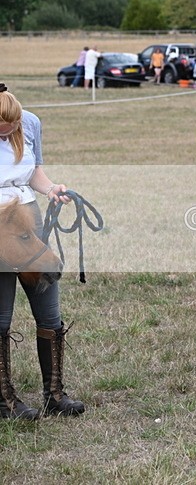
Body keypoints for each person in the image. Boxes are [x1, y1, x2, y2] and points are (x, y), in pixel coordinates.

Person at [0, 84, 85, 420]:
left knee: (48, 307)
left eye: (11, 127)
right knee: (1, 317)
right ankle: (5, 401)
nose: (7, 133)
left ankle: (55, 394)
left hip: (29, 219)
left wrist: (52, 189)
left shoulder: (31, 122)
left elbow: (34, 170)